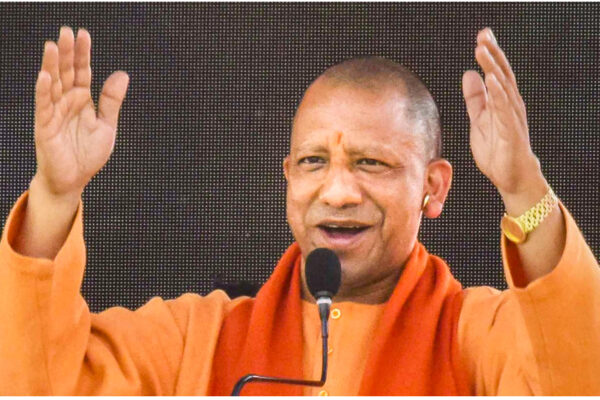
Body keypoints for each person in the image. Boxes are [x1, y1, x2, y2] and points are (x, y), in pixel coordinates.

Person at [0, 26, 598, 396]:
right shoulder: (200, 338)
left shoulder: (476, 337)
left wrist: (524, 188)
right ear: (287, 179)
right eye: (314, 162)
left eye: (370, 163)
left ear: (433, 187)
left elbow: (576, 376)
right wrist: (56, 193)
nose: (336, 192)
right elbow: (42, 384)